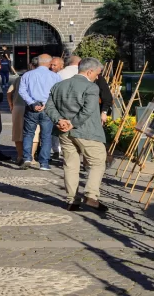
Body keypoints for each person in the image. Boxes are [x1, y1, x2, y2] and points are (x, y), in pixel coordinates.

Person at [45, 57, 109, 212]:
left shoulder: (59, 85)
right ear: (90, 71)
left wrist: (60, 120)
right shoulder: (91, 87)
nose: (98, 77)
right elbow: (88, 110)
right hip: (87, 131)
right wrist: (72, 123)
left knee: (70, 165)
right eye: (98, 73)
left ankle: (72, 200)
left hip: (64, 132)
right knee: (98, 161)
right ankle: (91, 195)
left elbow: (49, 106)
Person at [18, 54, 61, 170]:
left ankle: (27, 157)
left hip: (32, 108)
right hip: (47, 109)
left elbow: (22, 91)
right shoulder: (55, 76)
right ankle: (44, 163)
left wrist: (32, 103)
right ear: (49, 63)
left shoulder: (27, 75)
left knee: (28, 133)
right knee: (46, 136)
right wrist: (46, 104)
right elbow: (57, 93)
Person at [8, 61, 41, 166]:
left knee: (18, 132)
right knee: (34, 132)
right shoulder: (41, 79)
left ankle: (20, 156)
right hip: (35, 107)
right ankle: (31, 157)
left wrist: (11, 104)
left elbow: (9, 92)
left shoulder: (20, 78)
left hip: (18, 106)